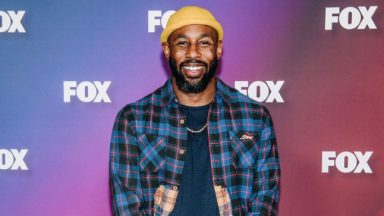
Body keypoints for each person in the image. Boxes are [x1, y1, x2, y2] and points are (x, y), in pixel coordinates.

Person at [109, 6, 280, 216]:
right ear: (167, 49)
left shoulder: (254, 117)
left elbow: (265, 199)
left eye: (204, 42)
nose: (193, 53)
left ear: (218, 49)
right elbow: (128, 207)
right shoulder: (134, 120)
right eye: (182, 43)